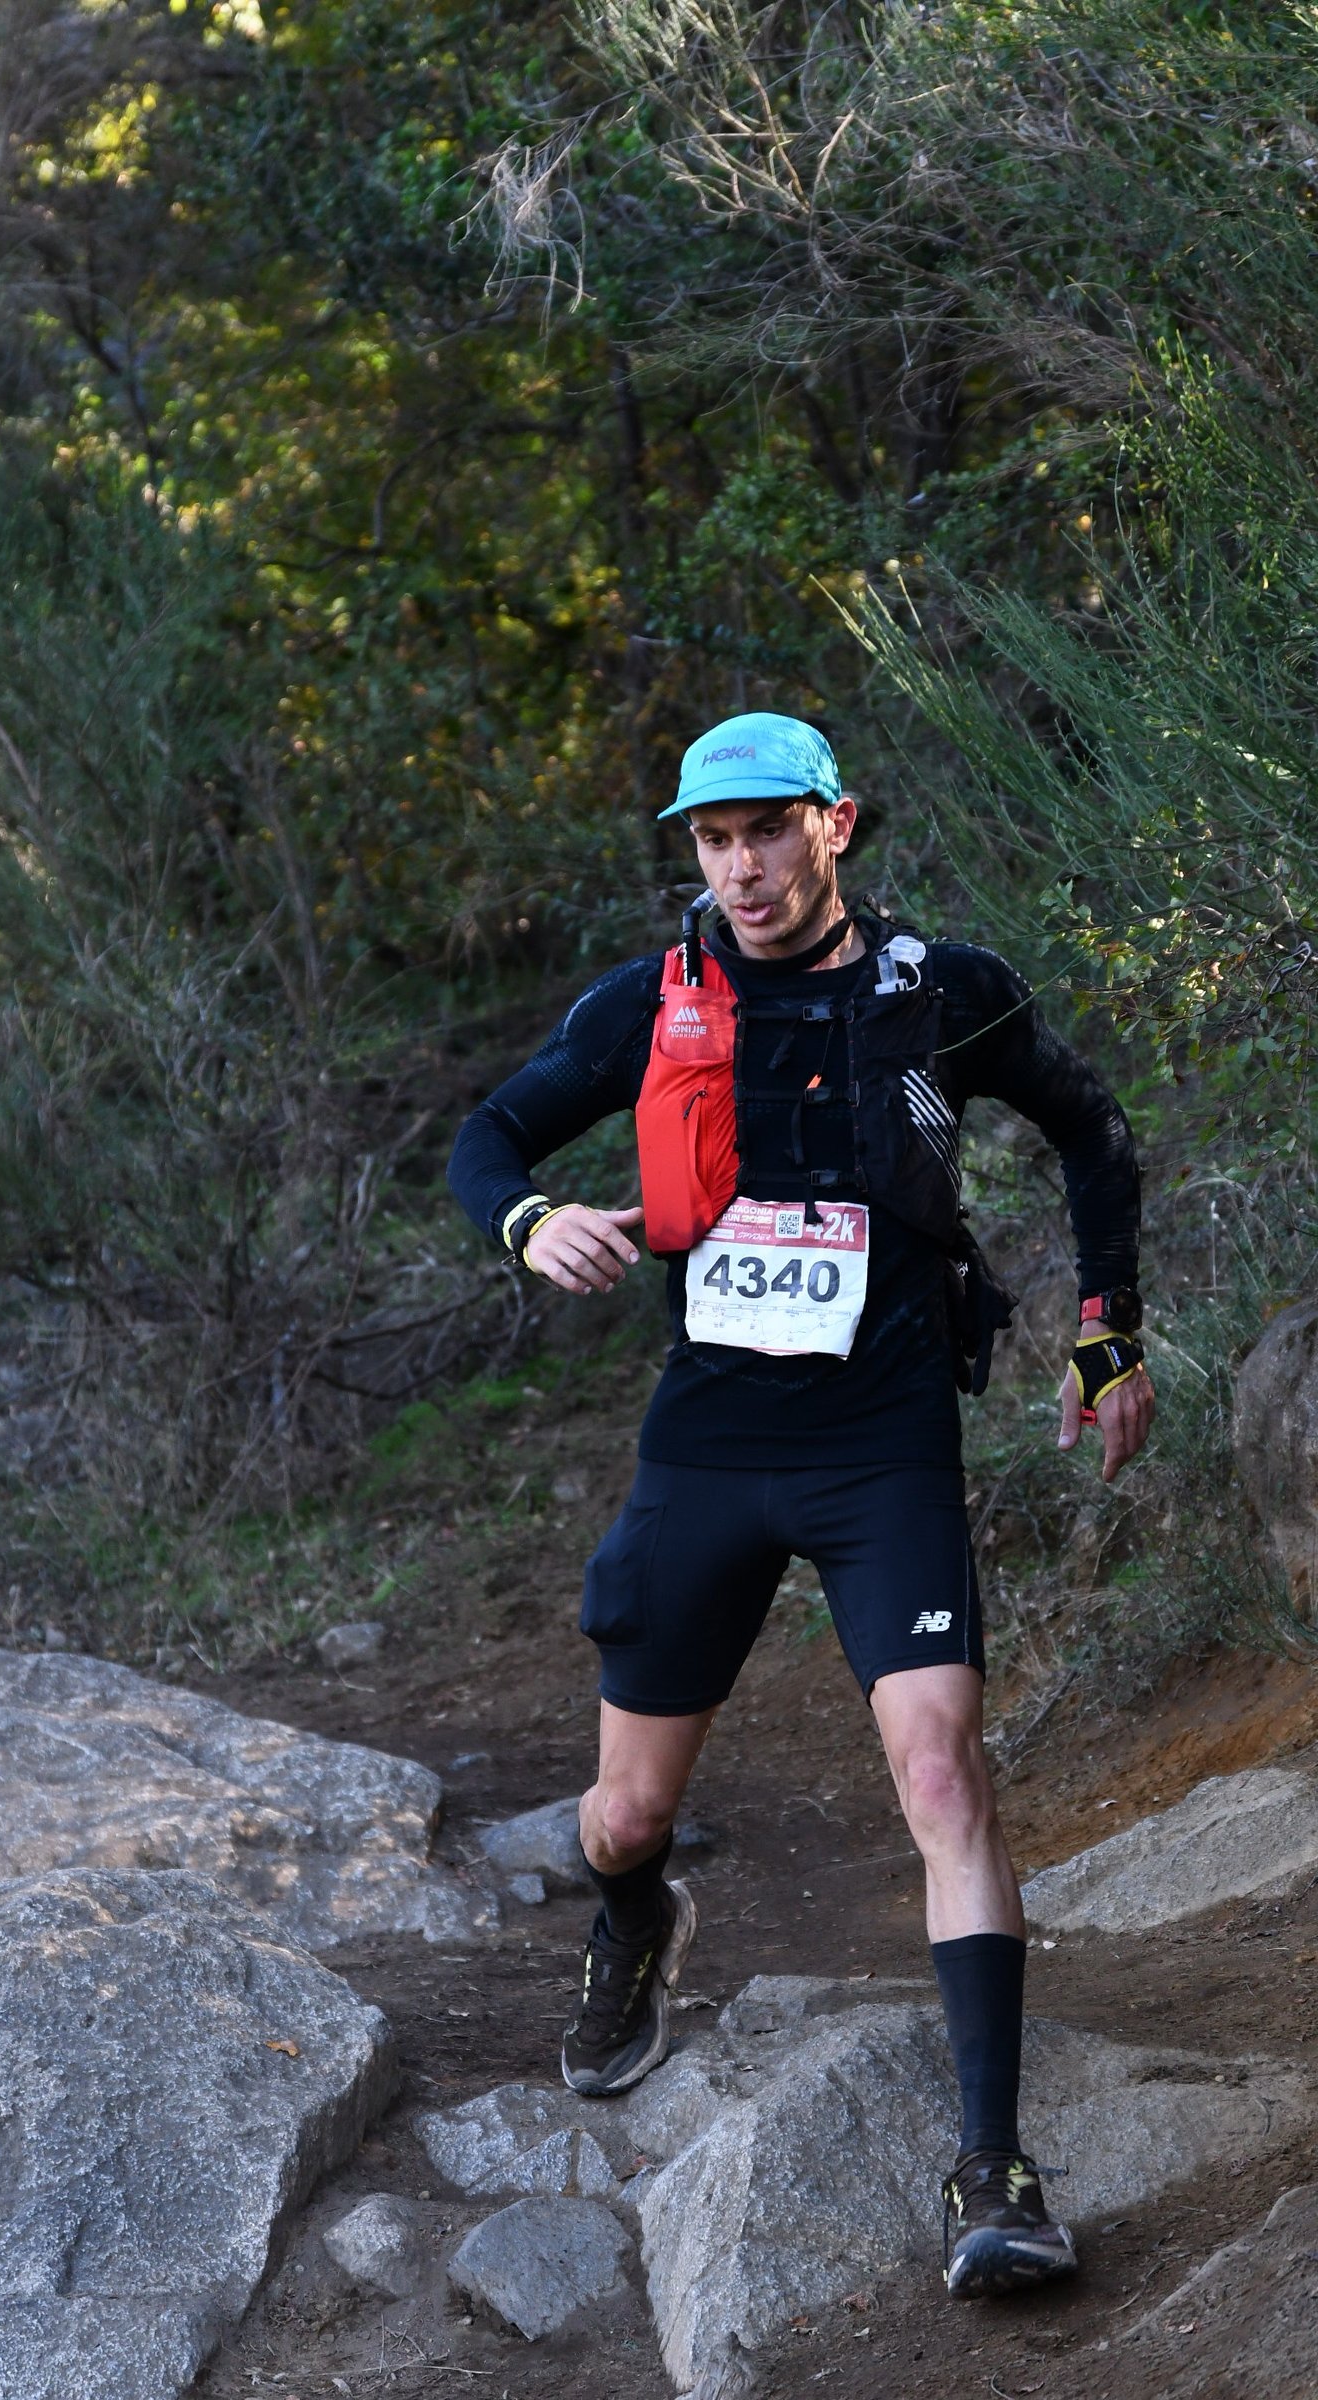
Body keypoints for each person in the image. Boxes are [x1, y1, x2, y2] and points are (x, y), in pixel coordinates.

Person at [447, 712, 1155, 2300]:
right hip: (708, 1445)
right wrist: (532, 1219)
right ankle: (635, 1921)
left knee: (943, 1769)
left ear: (835, 826)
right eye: (713, 839)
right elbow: (487, 1135)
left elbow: (1095, 1133)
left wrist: (1107, 1333)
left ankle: (995, 2171)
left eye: (769, 829)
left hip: (883, 1442)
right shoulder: (650, 1002)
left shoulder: (945, 994)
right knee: (623, 1817)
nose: (742, 866)